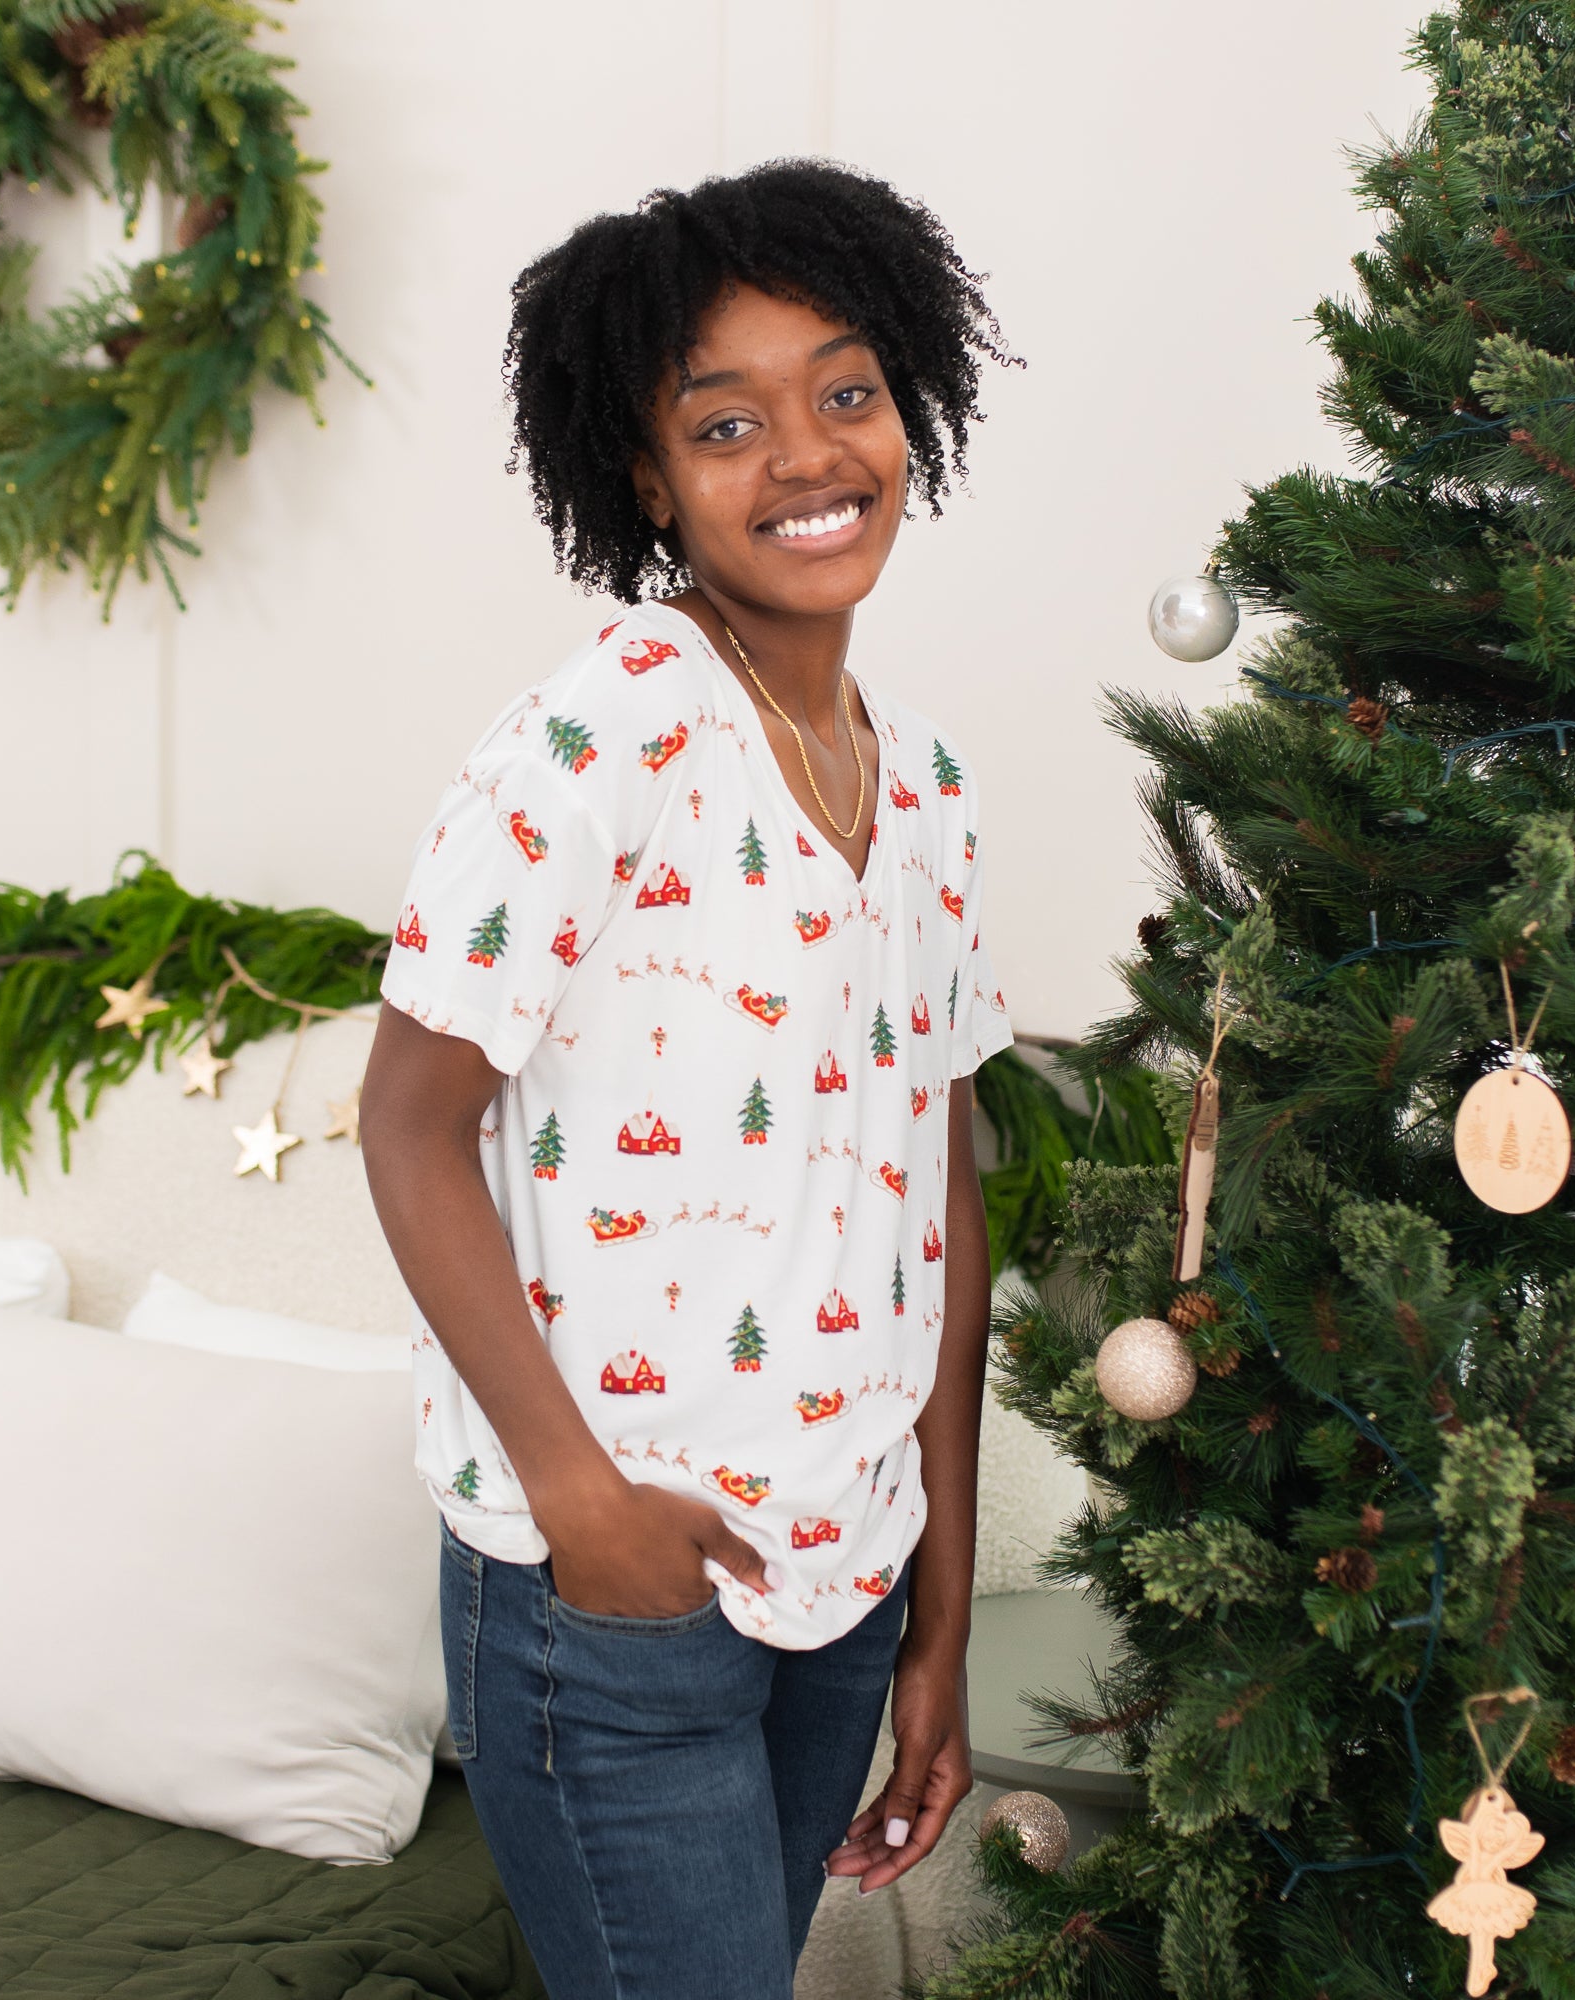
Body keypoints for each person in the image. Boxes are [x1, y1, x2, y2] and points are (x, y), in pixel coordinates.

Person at [358, 158, 1018, 2000]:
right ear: (647, 478)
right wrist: (583, 1503)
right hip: (614, 1598)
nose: (810, 456)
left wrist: (940, 1617)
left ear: (912, 411)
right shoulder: (606, 732)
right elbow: (409, 1126)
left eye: (847, 393)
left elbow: (939, 1203)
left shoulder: (934, 790)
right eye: (727, 422)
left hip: (852, 1568)